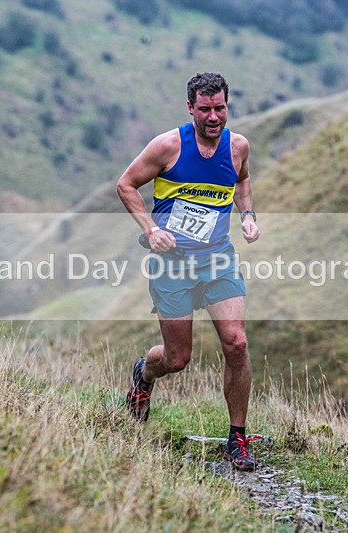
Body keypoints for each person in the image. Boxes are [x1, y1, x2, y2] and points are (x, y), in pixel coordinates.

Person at [116, 72, 262, 471]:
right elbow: (126, 185)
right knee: (178, 359)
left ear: (227, 105)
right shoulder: (168, 146)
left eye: (220, 108)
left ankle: (237, 437)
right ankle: (144, 374)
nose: (213, 117)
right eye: (205, 109)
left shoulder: (238, 147)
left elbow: (243, 180)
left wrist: (247, 216)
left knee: (236, 343)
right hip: (172, 265)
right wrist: (151, 229)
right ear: (190, 109)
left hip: (218, 260)